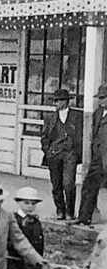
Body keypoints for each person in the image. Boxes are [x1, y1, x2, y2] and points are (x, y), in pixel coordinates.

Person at [40, 88, 84, 220]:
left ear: (65, 102)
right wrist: (47, 150)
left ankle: (70, 211)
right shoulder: (50, 117)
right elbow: (44, 136)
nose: (55, 104)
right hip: (54, 154)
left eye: (58, 101)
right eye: (55, 101)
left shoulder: (78, 116)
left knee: (69, 184)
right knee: (56, 184)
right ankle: (60, 210)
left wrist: (77, 151)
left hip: (70, 154)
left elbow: (82, 135)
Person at [77, 85, 107, 226]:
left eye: (103, 98)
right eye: (99, 98)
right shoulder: (98, 113)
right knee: (89, 185)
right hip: (98, 158)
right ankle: (84, 217)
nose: (100, 101)